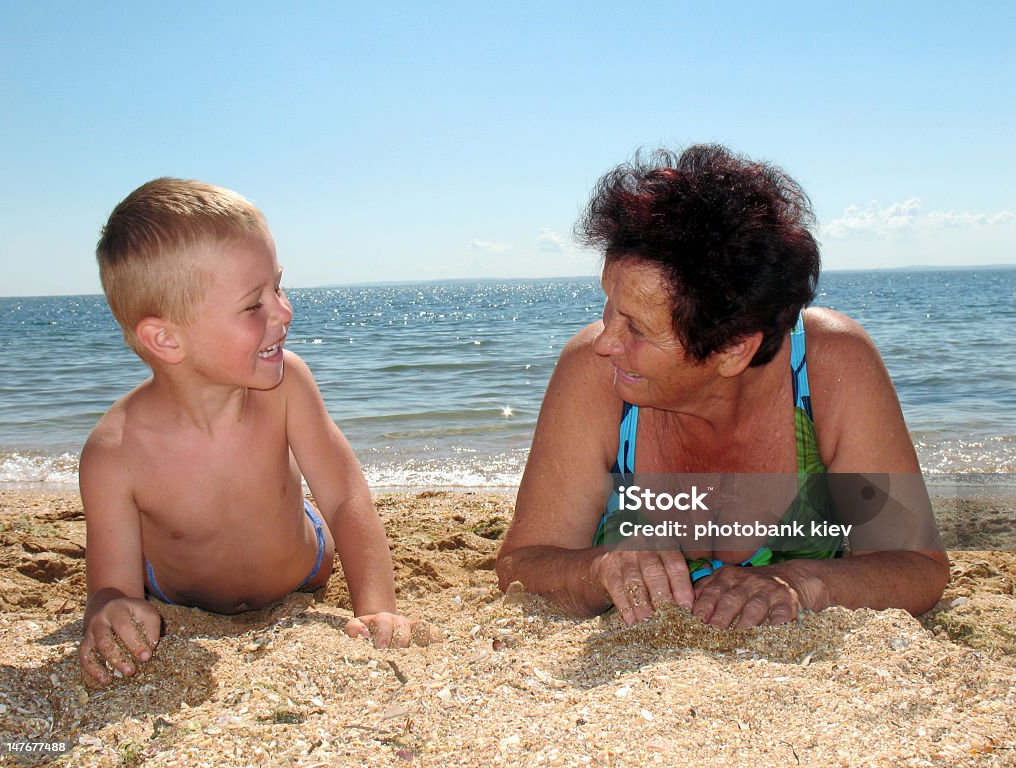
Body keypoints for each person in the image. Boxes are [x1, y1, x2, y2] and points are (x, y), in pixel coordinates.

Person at [496, 144, 948, 629]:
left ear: (734, 349)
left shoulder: (830, 365)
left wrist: (801, 582)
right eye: (609, 305)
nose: (605, 342)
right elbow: (523, 564)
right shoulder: (593, 372)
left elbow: (916, 566)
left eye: (638, 328)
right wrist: (597, 569)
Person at [79, 178, 416, 686]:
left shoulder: (286, 387)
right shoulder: (115, 454)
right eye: (252, 304)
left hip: (301, 569)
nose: (284, 311)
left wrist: (376, 609)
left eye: (277, 286)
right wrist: (110, 612)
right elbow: (109, 589)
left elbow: (345, 497)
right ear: (166, 339)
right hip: (177, 595)